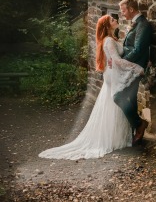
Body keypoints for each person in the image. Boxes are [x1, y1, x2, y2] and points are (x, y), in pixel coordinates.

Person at [39, 15, 144, 160]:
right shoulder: (108, 41)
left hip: (112, 73)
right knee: (117, 101)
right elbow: (117, 61)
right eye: (113, 20)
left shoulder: (110, 39)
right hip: (113, 75)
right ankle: (124, 132)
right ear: (107, 26)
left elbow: (115, 57)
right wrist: (137, 67)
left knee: (114, 104)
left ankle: (121, 134)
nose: (116, 21)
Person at [113, 0, 152, 146]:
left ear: (131, 9)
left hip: (135, 69)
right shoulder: (136, 24)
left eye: (123, 10)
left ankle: (139, 124)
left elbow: (138, 49)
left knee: (118, 97)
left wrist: (122, 62)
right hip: (131, 68)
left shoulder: (143, 24)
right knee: (132, 100)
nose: (121, 13)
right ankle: (135, 131)